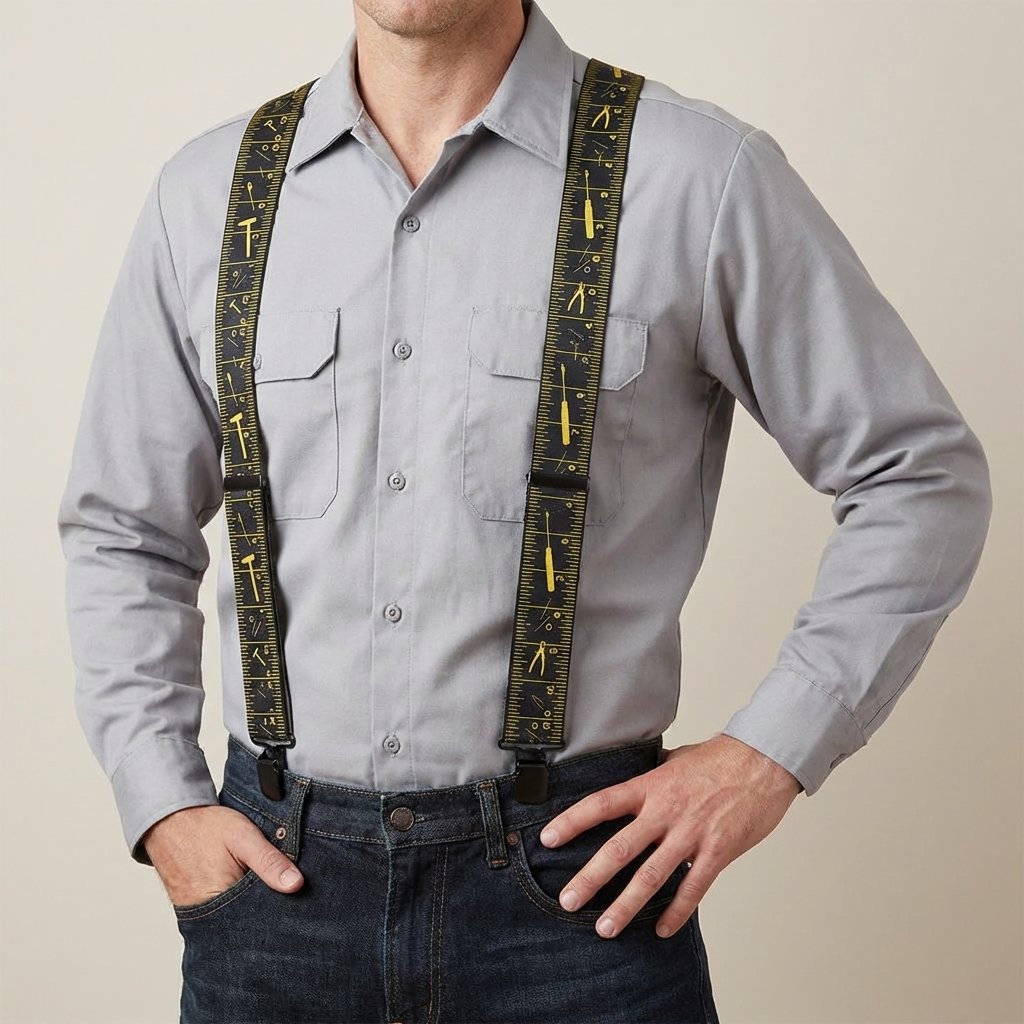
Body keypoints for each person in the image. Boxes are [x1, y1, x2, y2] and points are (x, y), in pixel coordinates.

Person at [56, 1, 993, 1021]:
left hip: (580, 902)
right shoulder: (209, 196)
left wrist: (768, 755)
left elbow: (918, 473)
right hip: (275, 908)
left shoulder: (695, 176)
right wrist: (164, 804)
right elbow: (123, 530)